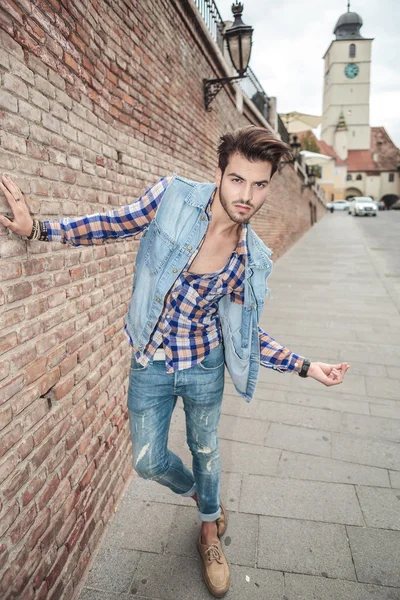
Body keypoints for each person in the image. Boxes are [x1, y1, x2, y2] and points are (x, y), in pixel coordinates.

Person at [0, 126, 350, 598]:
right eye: (237, 180)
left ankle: (209, 530)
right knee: (147, 461)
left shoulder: (253, 260)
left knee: (206, 449)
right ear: (221, 174)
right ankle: (201, 496)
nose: (246, 195)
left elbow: (245, 334)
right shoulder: (173, 197)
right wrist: (39, 228)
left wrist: (307, 367)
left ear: (270, 186)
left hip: (204, 367)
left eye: (259, 184)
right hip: (151, 361)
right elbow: (114, 223)